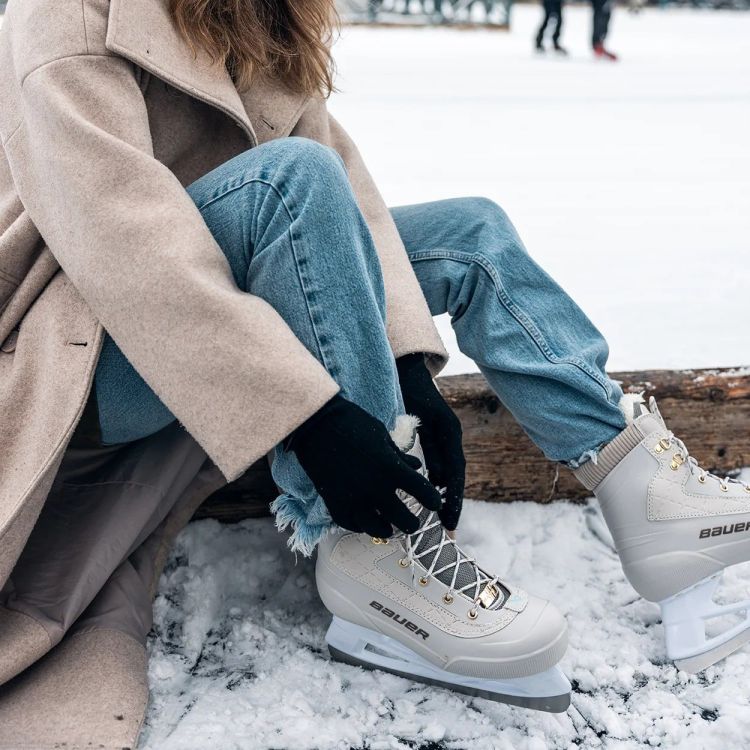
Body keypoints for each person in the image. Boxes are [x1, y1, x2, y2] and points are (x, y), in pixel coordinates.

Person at [1, 0, 747, 746]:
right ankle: (373, 554)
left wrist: (403, 358)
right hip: (80, 352)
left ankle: (639, 488)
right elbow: (122, 239)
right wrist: (310, 417)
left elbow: (350, 202)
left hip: (218, 281)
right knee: (288, 184)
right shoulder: (65, 13)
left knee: (468, 234)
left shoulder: (255, 15)